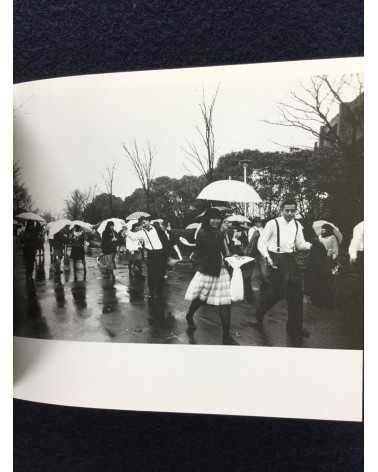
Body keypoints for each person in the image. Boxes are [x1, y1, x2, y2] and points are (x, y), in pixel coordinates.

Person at [255, 197, 312, 340]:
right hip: (276, 258)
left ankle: (295, 327)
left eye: (293, 211)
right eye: (287, 210)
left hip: (291, 259)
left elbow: (299, 244)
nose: (290, 213)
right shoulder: (272, 224)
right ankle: (260, 312)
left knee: (296, 294)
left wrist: (310, 245)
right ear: (281, 210)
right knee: (277, 293)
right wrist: (267, 257)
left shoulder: (297, 225)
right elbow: (261, 243)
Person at [184, 208, 237, 345]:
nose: (216, 221)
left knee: (225, 304)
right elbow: (212, 247)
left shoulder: (221, 232)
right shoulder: (202, 233)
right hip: (207, 270)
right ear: (207, 219)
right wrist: (222, 232)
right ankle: (189, 315)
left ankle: (226, 336)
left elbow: (225, 250)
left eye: (218, 218)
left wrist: (232, 257)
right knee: (200, 299)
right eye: (212, 218)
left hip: (222, 271)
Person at [128, 216, 174, 299]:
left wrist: (168, 254)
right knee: (151, 273)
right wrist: (126, 232)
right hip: (151, 254)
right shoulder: (141, 232)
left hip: (161, 253)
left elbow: (165, 239)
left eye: (145, 222)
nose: (144, 224)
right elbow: (133, 237)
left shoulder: (157, 228)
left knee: (160, 273)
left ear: (149, 221)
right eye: (142, 223)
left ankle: (159, 291)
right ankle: (152, 292)